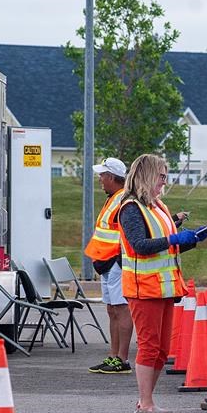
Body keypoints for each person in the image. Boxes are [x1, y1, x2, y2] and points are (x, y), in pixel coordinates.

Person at [119, 154, 207, 413]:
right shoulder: (131, 208)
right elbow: (140, 245)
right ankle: (145, 404)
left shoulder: (156, 207)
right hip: (143, 288)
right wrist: (174, 237)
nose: (164, 181)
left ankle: (145, 401)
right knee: (150, 346)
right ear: (147, 176)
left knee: (161, 349)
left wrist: (193, 239)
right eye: (161, 176)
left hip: (163, 287)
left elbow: (169, 245)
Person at [84, 157, 134, 375]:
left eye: (103, 175)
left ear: (113, 177)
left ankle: (122, 358)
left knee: (121, 309)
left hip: (116, 262)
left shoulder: (123, 199)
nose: (100, 179)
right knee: (112, 309)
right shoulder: (113, 198)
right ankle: (113, 355)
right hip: (106, 262)